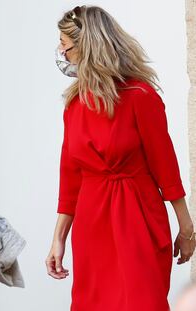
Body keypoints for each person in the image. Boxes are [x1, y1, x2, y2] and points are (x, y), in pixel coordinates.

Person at [45, 5, 196, 311]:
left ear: (86, 48)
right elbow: (70, 177)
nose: (61, 52)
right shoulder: (74, 104)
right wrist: (58, 239)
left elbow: (165, 167)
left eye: (64, 44)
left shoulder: (140, 96)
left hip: (138, 218)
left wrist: (187, 228)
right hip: (92, 223)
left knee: (142, 302)